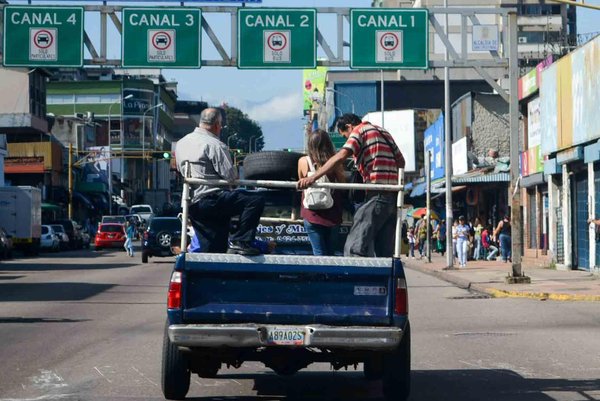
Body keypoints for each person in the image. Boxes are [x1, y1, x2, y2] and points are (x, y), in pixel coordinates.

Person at [297, 113, 405, 257]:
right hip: (392, 197)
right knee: (383, 253)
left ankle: (358, 279)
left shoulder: (359, 131)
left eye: (344, 136)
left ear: (349, 127)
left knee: (353, 248)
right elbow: (401, 162)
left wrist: (314, 177)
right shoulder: (383, 132)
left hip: (376, 194)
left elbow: (341, 156)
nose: (347, 140)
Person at [176, 107, 265, 255]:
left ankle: (206, 272)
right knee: (255, 200)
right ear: (217, 125)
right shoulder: (215, 145)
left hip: (191, 203)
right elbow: (231, 177)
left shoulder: (181, 143)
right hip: (212, 199)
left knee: (212, 244)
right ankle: (241, 241)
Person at [298, 129, 345, 256]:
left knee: (318, 252)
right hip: (332, 213)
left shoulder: (303, 161)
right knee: (331, 252)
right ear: (328, 144)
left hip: (311, 213)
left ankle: (321, 275)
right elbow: (342, 183)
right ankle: (331, 275)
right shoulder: (335, 162)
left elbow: (301, 182)